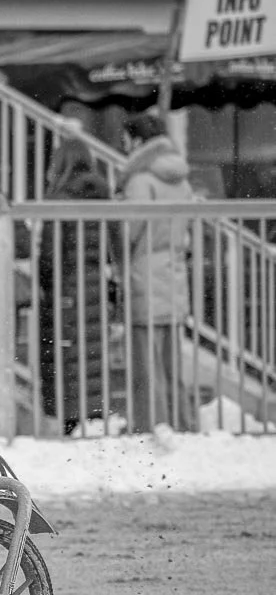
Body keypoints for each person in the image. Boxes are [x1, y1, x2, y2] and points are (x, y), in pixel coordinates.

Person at [38, 137, 118, 434]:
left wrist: (45, 285)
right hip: (94, 285)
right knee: (91, 354)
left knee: (65, 356)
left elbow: (50, 256)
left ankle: (69, 419)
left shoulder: (60, 200)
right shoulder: (101, 197)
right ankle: (94, 417)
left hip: (66, 288)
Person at [119, 112, 194, 432]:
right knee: (171, 362)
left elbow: (129, 231)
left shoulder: (140, 180)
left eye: (125, 138)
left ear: (137, 140)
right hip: (174, 273)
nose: (122, 145)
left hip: (144, 274)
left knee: (145, 362)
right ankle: (183, 423)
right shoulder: (180, 178)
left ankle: (152, 426)